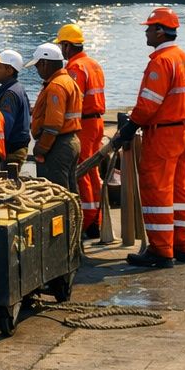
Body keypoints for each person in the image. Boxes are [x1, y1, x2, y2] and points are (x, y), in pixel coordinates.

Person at [114, 7, 185, 268]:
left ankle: (161, 251)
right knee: (180, 190)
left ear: (160, 31)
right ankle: (184, 247)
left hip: (162, 134)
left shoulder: (160, 62)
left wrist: (128, 129)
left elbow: (149, 104)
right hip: (184, 130)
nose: (146, 32)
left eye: (149, 28)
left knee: (157, 190)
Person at [55, 23, 108, 239]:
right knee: (93, 172)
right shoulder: (93, 64)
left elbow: (73, 100)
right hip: (96, 122)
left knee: (82, 172)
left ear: (67, 46)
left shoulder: (75, 68)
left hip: (84, 125)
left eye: (61, 46)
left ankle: (87, 221)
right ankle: (96, 218)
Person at [28, 42, 82, 193]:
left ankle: (64, 217)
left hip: (58, 146)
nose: (37, 70)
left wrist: (41, 148)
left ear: (44, 63)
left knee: (56, 194)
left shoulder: (56, 86)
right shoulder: (67, 81)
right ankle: (74, 216)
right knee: (70, 191)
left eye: (37, 66)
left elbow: (53, 124)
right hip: (69, 141)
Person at [0, 49, 32, 174]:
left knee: (6, 185)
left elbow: (5, 126)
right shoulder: (16, 88)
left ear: (9, 71)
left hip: (12, 151)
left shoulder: (9, 94)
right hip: (17, 148)